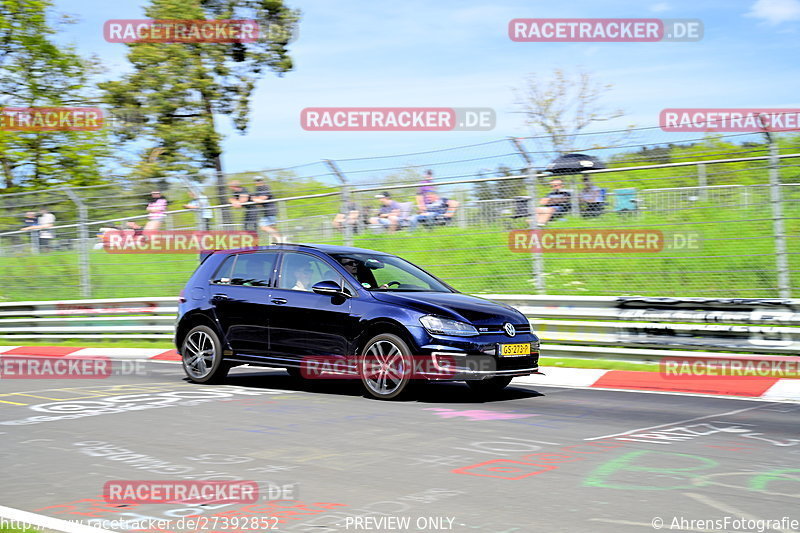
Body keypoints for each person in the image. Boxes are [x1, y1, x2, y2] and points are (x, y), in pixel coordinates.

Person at [252, 176, 282, 243]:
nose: (258, 182)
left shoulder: (265, 187)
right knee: (272, 227)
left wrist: (255, 199)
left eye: (259, 180)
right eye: (256, 181)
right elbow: (258, 203)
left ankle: (280, 239)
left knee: (263, 226)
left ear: (262, 181)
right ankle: (279, 241)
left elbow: (262, 199)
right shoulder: (258, 189)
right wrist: (256, 199)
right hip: (267, 211)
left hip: (270, 210)